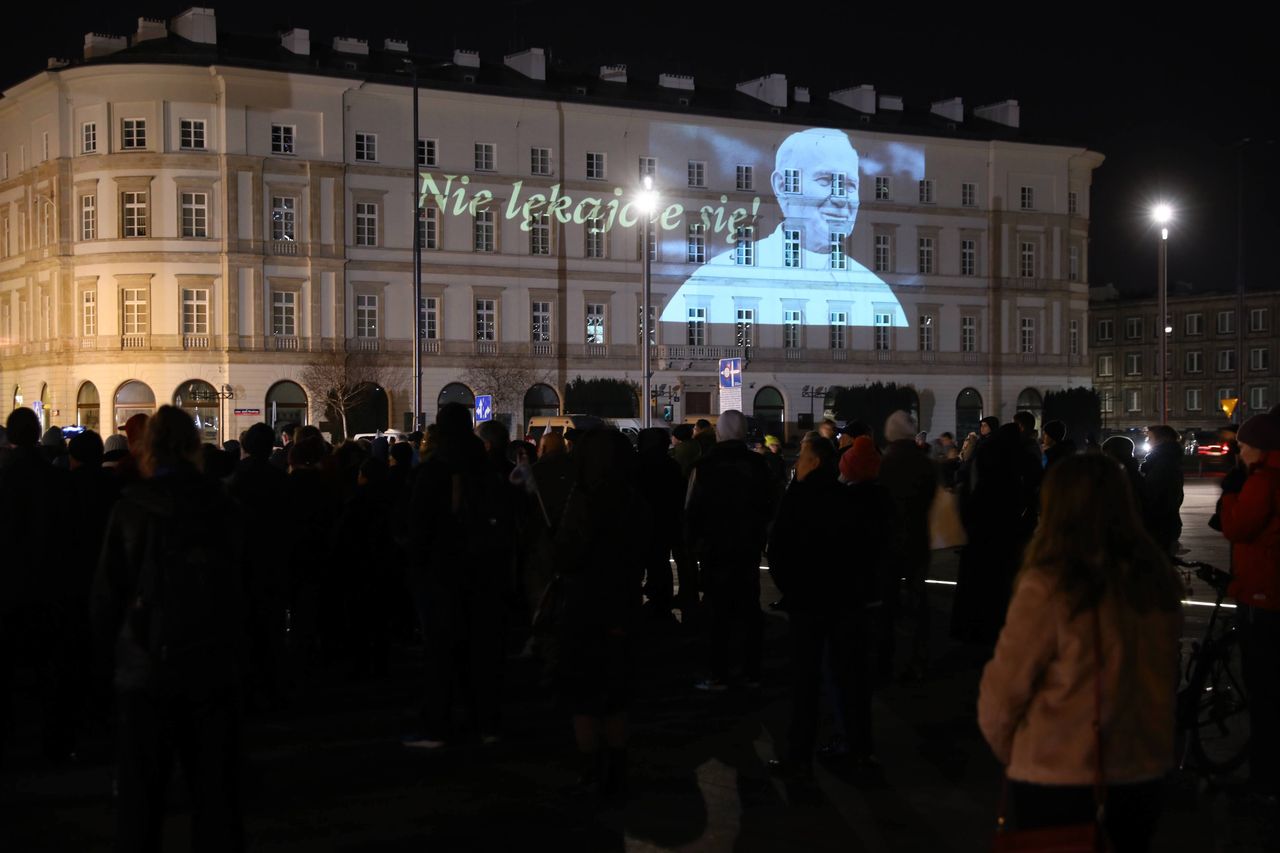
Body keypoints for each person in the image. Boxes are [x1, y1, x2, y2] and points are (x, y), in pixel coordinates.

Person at [979, 453, 1183, 851]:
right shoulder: (1156, 579)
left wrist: (1018, 749)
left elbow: (1005, 690)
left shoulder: (1051, 584)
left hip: (1062, 770)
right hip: (1141, 767)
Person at [92, 406, 247, 852]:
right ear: (194, 447)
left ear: (148, 449)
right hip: (213, 663)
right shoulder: (225, 507)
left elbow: (106, 596)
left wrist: (110, 666)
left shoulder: (131, 508)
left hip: (146, 665)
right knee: (216, 798)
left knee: (141, 800)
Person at [660, 127, 905, 333]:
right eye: (825, 181)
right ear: (783, 186)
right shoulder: (713, 278)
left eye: (850, 185)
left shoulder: (878, 292)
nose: (840, 198)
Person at [769, 434, 887, 779]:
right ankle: (859, 750)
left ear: (816, 462)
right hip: (846, 601)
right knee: (850, 676)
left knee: (805, 683)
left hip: (807, 602)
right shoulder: (846, 497)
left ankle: (799, 755)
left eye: (802, 457)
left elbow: (778, 550)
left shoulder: (799, 497)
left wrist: (791, 589)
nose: (797, 463)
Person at [552, 429, 647, 798]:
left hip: (584, 605)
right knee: (617, 693)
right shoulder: (634, 500)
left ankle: (590, 770)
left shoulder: (582, 499)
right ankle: (618, 768)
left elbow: (567, 554)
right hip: (622, 602)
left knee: (584, 693)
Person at [685, 410, 775, 690]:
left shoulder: (704, 465)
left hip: (714, 548)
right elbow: (770, 504)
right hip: (747, 546)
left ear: (720, 433)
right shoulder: (758, 465)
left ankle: (718, 672)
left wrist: (694, 543)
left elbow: (691, 509)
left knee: (717, 611)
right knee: (750, 608)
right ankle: (751, 671)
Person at [1217, 413, 1280, 801]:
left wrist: (1229, 497)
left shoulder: (1264, 481)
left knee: (1264, 692)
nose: (1239, 449)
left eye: (1243, 444)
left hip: (1262, 593)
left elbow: (1237, 527)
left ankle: (1264, 781)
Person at [877, 410, 937, 680]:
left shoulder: (885, 462)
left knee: (887, 601)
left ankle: (886, 657)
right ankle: (919, 657)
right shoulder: (924, 462)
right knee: (918, 596)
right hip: (917, 536)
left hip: (889, 538)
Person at [1139, 424, 1184, 556]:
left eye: (1150, 438)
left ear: (1161, 440)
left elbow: (1156, 494)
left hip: (1160, 525)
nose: (1147, 441)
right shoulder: (1165, 460)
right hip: (1166, 523)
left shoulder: (1163, 463)